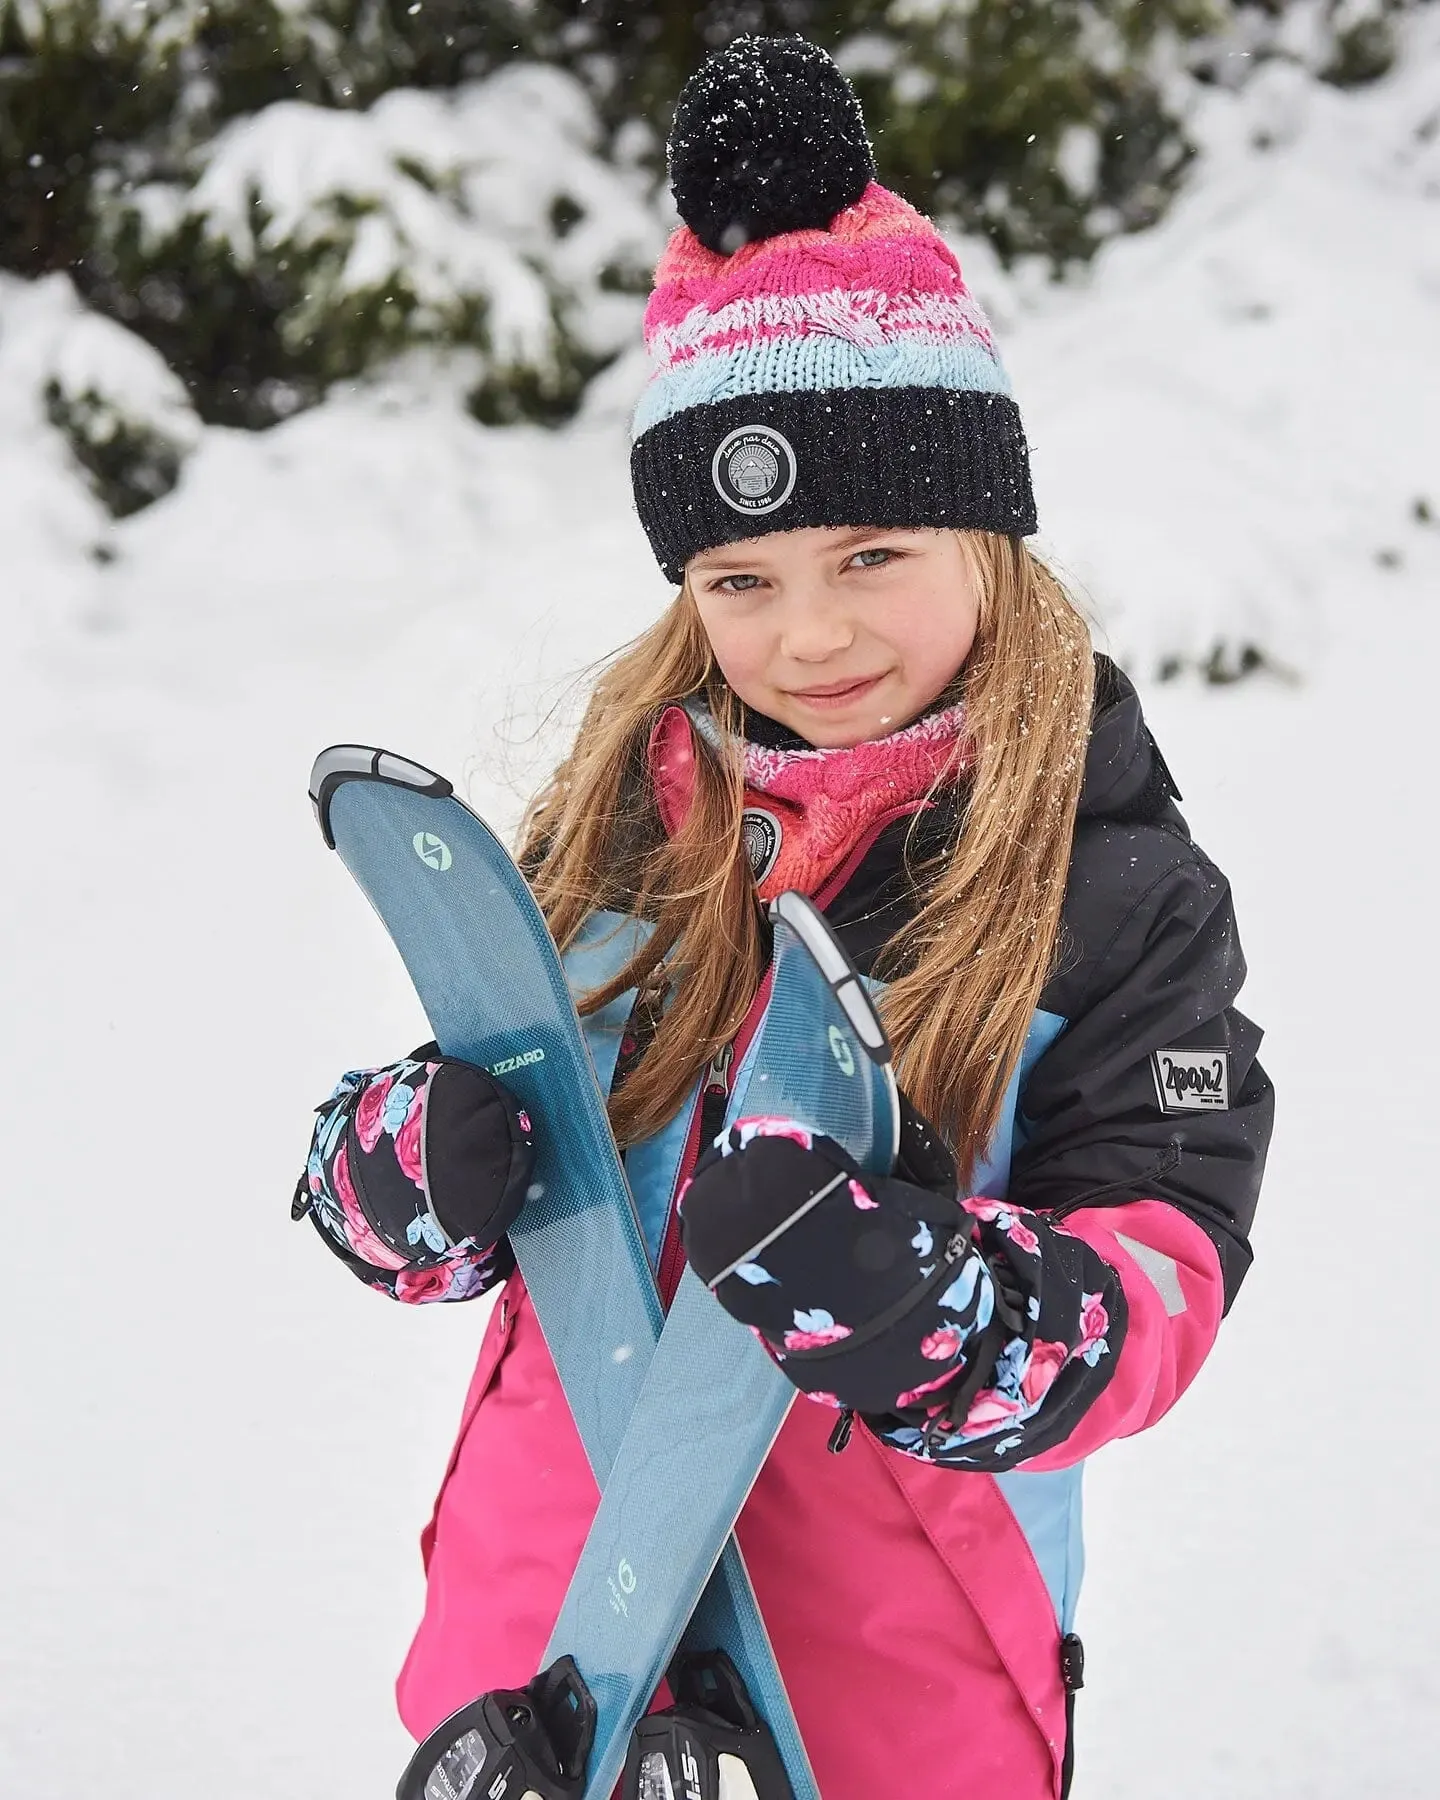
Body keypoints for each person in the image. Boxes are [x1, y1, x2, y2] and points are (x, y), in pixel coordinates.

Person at [294, 36, 1272, 1800]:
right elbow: (482, 1196)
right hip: (539, 1668)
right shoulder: (623, 831)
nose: (810, 636)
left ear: (992, 533)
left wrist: (950, 1309)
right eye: (740, 582)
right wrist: (398, 1174)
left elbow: (1164, 1270)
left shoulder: (1111, 889)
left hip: (874, 1703)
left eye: (873, 554)